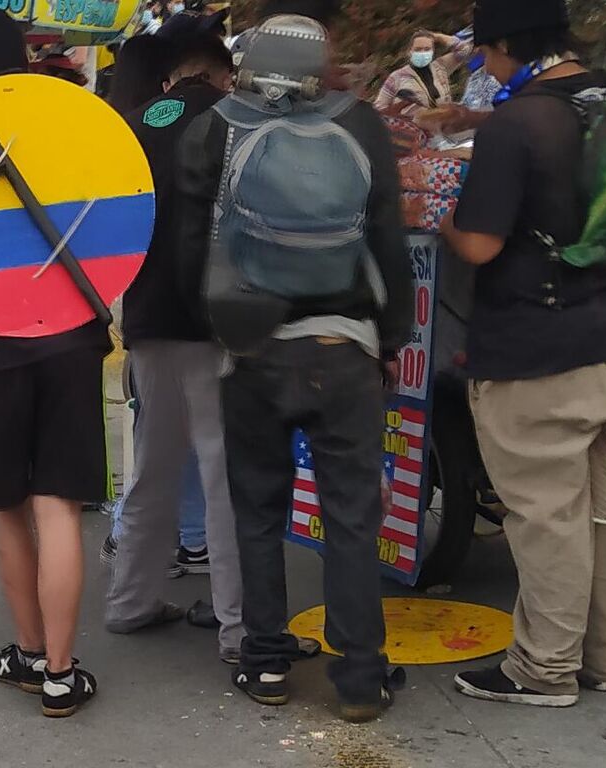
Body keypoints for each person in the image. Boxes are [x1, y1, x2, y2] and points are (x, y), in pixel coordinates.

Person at [442, 0, 606, 708]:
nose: (487, 67)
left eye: (486, 55)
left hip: (533, 346)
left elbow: (480, 244)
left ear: (503, 45)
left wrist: (443, 215)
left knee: (543, 516)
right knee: (602, 512)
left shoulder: (518, 122)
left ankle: (544, 669)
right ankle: (604, 658)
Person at [178, 0, 411, 723]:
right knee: (349, 516)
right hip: (346, 351)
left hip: (252, 352)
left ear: (250, 62)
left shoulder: (212, 128)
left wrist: (216, 327)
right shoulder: (361, 124)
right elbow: (390, 246)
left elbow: (189, 247)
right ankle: (361, 678)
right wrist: (393, 338)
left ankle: (267, 663)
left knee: (256, 510)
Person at [0, 6, 105, 719]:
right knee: (59, 501)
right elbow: (111, 213)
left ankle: (29, 652)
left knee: (7, 502)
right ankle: (62, 674)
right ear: (22, 56)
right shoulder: (67, 118)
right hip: (66, 328)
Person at [103, 34, 248, 664]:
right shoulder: (237, 124)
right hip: (219, 319)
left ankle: (130, 601)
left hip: (150, 315)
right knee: (222, 472)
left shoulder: (133, 128)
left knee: (153, 465)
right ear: (219, 71)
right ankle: (235, 623)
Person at [373, 31, 472, 117]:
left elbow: (464, 50)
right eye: (418, 49)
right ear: (409, 52)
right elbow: (379, 109)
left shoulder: (440, 67)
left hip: (443, 130)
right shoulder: (396, 77)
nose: (422, 53)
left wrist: (438, 36)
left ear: (432, 51)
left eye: (427, 49)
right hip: (413, 133)